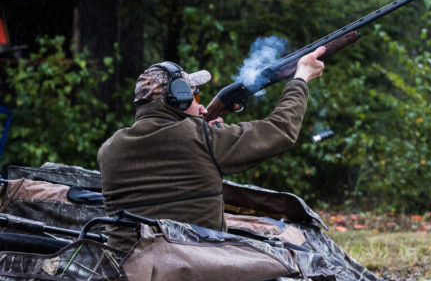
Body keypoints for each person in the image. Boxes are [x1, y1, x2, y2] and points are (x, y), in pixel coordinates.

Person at [98, 46, 326, 249]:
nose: (201, 105)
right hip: (200, 270)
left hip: (129, 272)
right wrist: (301, 79)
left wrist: (203, 131)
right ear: (180, 97)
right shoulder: (202, 138)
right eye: (194, 95)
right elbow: (280, 130)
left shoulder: (109, 149)